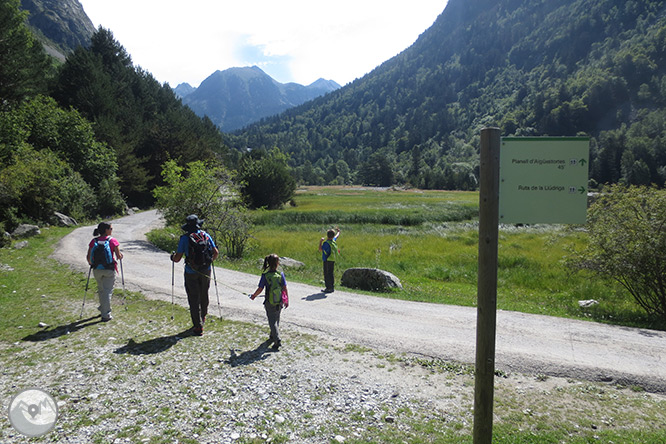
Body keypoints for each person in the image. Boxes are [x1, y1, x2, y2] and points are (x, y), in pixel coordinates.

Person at [170, 215, 219, 336]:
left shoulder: (185, 238)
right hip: (206, 270)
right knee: (204, 294)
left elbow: (177, 259)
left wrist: (172, 257)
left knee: (193, 297)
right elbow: (216, 252)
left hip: (191, 271)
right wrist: (209, 261)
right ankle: (203, 317)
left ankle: (198, 326)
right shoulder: (205, 235)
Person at [250, 254, 288, 350]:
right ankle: (272, 335)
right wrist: (286, 299)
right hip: (279, 300)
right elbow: (284, 288)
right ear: (277, 263)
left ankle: (277, 339)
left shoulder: (265, 275)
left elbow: (260, 288)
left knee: (272, 321)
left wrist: (254, 296)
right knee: (277, 318)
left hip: (269, 301)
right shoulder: (280, 274)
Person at [86, 222, 123, 322]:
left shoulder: (94, 241)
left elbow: (88, 257)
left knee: (101, 289)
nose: (112, 230)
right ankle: (106, 314)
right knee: (107, 291)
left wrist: (92, 264)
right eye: (110, 228)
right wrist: (120, 255)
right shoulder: (113, 241)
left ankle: (102, 308)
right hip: (109, 269)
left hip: (97, 269)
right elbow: (119, 256)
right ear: (106, 230)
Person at [318, 227, 340, 293]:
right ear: (333, 235)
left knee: (326, 274)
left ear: (327, 235)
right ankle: (332, 287)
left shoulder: (326, 243)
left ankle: (328, 288)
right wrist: (338, 232)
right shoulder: (333, 241)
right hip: (332, 259)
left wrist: (320, 241)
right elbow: (337, 236)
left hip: (327, 259)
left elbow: (320, 249)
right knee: (331, 273)